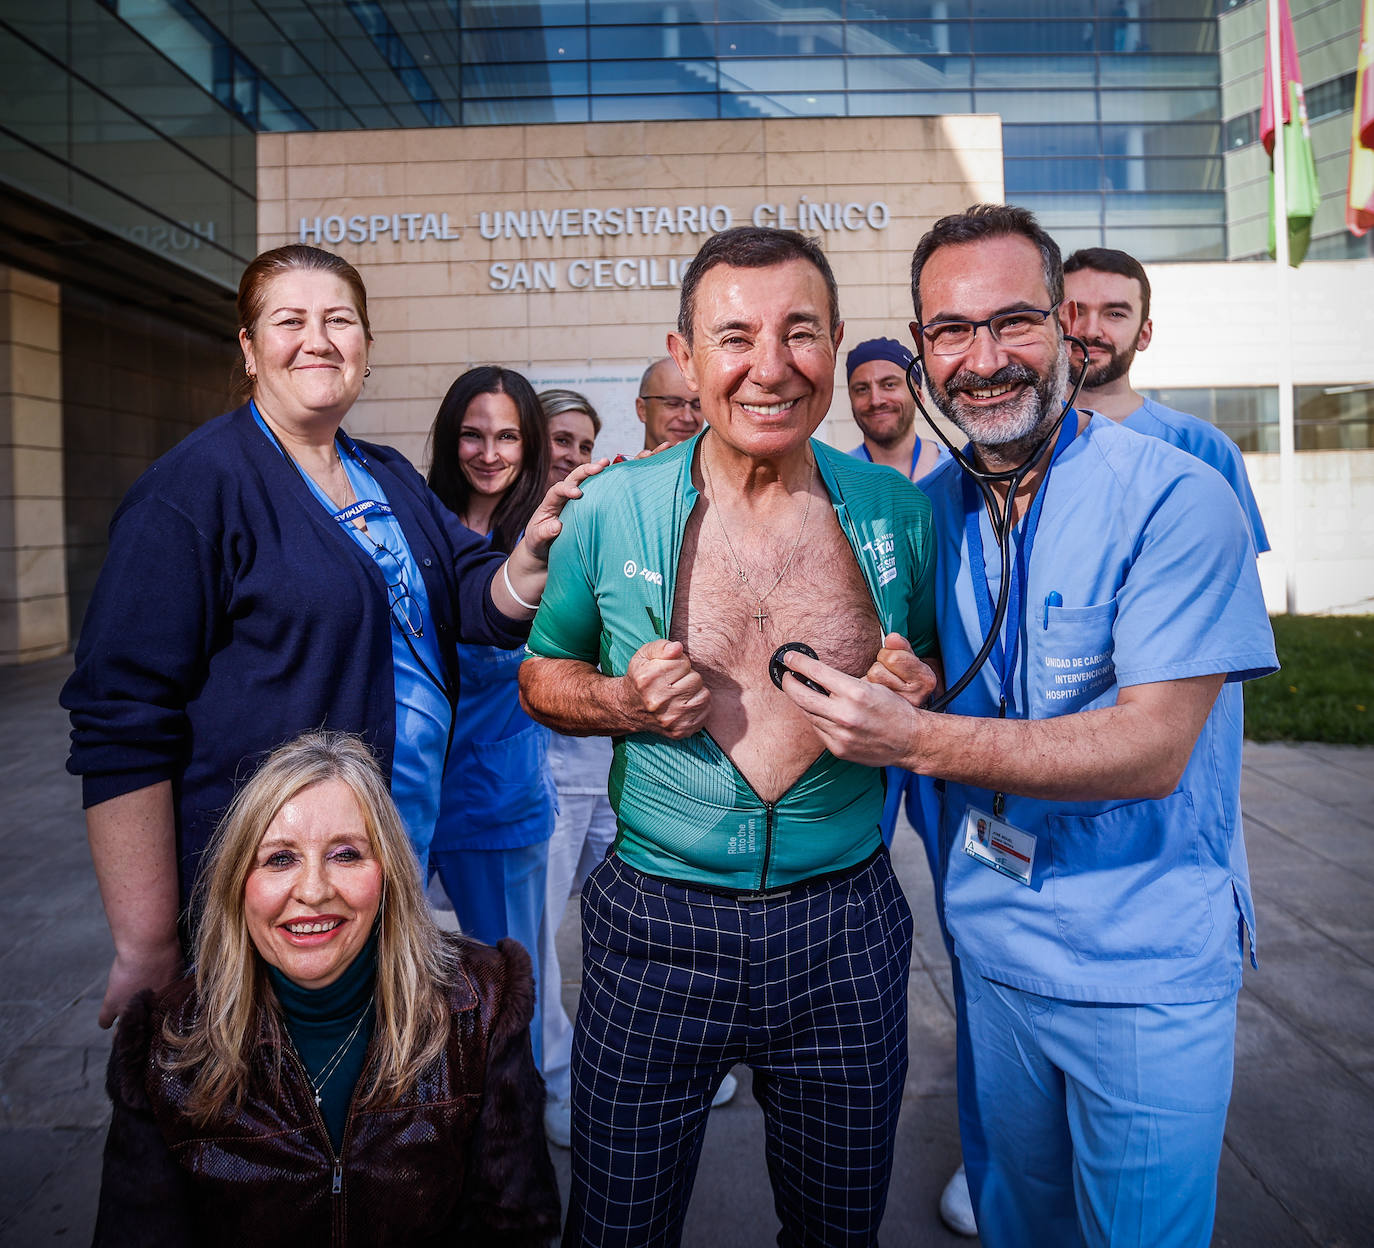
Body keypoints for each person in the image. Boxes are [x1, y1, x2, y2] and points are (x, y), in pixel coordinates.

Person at [777, 204, 1278, 1248]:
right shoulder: (936, 510)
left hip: (1140, 970)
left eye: (1014, 321)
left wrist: (915, 740)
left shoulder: (1177, 498)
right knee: (1018, 1227)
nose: (984, 358)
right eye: (951, 331)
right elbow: (930, 673)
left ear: (1065, 328)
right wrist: (908, 681)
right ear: (920, 352)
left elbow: (1151, 748)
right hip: (996, 950)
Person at [519, 225, 938, 1247]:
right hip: (656, 927)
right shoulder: (612, 509)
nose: (769, 366)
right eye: (735, 336)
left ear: (836, 345)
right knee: (617, 1228)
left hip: (845, 927)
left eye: (800, 333)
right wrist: (620, 703)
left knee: (839, 1231)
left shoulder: (899, 512)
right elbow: (540, 670)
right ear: (688, 353)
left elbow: (930, 681)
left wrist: (914, 696)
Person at [61, 243, 593, 1031]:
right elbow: (121, 720)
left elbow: (476, 597)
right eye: (290, 320)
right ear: (248, 348)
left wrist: (534, 551)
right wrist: (144, 943)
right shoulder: (193, 490)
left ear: (366, 349)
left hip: (389, 868)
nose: (318, 339)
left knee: (374, 1114)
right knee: (269, 1128)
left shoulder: (387, 477)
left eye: (339, 320)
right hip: (278, 895)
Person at [92, 729, 559, 1246]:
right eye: (279, 859)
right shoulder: (161, 1046)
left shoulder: (482, 1005)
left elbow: (517, 1226)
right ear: (237, 884)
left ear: (389, 876)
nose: (313, 891)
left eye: (345, 854)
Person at [426, 365, 562, 1066]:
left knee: (509, 992)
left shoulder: (549, 539)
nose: (488, 452)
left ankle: (520, 1137)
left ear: (529, 443)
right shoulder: (420, 528)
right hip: (404, 798)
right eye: (472, 434)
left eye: (507, 435)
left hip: (497, 804)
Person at [532, 387, 621, 1148]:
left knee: (614, 932)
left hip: (608, 767)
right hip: (543, 774)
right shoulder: (517, 529)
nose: (572, 453)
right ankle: (554, 1083)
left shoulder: (596, 515)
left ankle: (609, 1068)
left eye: (582, 441)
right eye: (560, 438)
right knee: (535, 937)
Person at [1063, 246, 1270, 552]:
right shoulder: (1018, 443)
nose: (1091, 330)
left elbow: (1232, 576)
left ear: (1144, 334)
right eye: (1076, 311)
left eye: (1115, 314)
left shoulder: (1204, 448)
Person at [846, 336, 949, 485]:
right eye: (862, 389)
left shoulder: (958, 471)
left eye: (889, 385)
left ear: (918, 396)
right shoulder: (837, 480)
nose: (875, 400)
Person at [635, 355, 702, 449]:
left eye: (697, 405)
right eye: (673, 404)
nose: (687, 418)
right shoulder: (620, 464)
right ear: (642, 410)